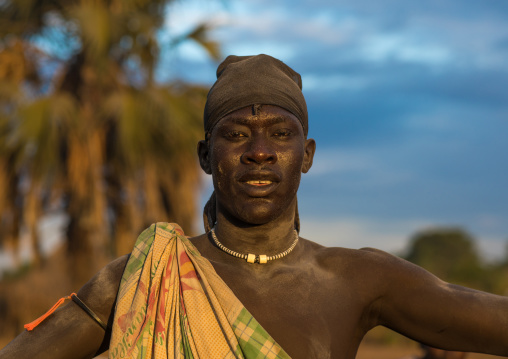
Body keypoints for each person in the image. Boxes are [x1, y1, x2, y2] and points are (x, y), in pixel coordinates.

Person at [1, 54, 507, 359]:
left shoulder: (356, 279)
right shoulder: (144, 279)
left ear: (305, 156)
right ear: (206, 155)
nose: (259, 151)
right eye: (237, 134)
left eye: (281, 135)